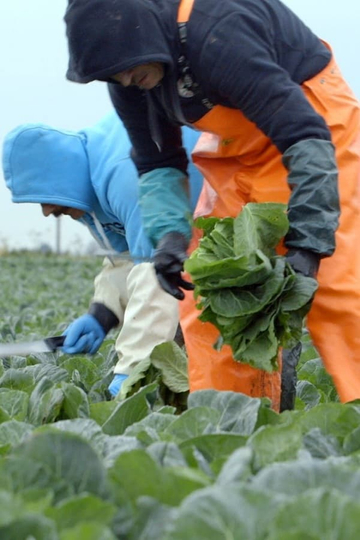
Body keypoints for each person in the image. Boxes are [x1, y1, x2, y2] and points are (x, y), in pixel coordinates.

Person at [64, 0, 360, 410]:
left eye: (127, 67)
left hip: (311, 127)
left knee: (333, 289)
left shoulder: (217, 32)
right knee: (211, 288)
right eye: (113, 75)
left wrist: (308, 244)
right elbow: (157, 162)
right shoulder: (127, 79)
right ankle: (235, 419)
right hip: (239, 148)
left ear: (144, 30)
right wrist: (169, 237)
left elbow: (302, 132)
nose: (125, 79)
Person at [2, 111, 203, 397]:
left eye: (44, 197)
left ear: (61, 177)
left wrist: (129, 375)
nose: (47, 212)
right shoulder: (88, 191)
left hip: (241, 195)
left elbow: (157, 279)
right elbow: (126, 258)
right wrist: (102, 314)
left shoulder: (124, 178)